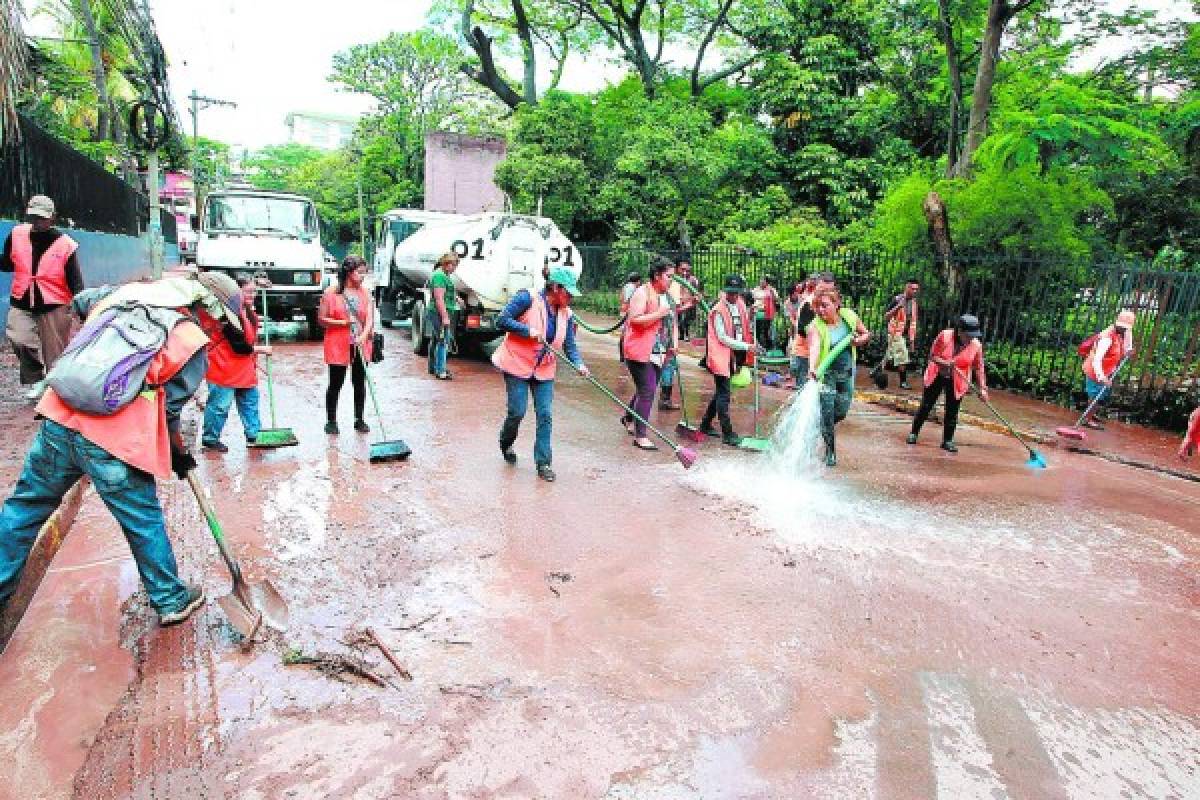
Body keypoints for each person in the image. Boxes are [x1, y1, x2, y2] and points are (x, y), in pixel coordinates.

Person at [0, 271, 245, 626]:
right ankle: (170, 597)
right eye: (219, 320)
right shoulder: (189, 340)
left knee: (24, 509)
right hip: (113, 441)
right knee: (142, 519)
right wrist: (180, 454)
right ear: (206, 309)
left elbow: (81, 302)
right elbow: (169, 413)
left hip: (59, 418)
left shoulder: (123, 295)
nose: (216, 327)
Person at [493, 267, 589, 483]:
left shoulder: (567, 314)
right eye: (568, 293)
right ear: (555, 288)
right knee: (517, 412)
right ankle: (505, 441)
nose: (571, 298)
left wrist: (579, 364)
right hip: (517, 364)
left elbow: (569, 345)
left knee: (545, 414)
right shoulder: (527, 298)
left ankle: (543, 462)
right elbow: (501, 320)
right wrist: (527, 331)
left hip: (544, 369)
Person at [0, 195, 83, 400]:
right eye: (33, 217)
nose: (37, 222)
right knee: (20, 339)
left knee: (55, 354)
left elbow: (75, 280)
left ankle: (53, 390)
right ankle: (36, 379)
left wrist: (81, 306)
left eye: (42, 218)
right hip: (22, 300)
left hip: (54, 304)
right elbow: (8, 263)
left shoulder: (66, 245)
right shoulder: (17, 234)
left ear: (53, 218)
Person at [200, 274, 271, 452]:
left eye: (254, 291)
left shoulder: (246, 311)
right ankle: (210, 439)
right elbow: (238, 345)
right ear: (235, 291)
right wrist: (260, 350)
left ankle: (254, 434)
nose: (252, 295)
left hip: (243, 367)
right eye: (248, 291)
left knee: (250, 401)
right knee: (220, 406)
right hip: (223, 366)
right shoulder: (225, 313)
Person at [807, 287, 870, 466]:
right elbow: (814, 348)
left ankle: (816, 427)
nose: (820, 310)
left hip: (847, 375)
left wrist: (859, 340)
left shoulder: (849, 316)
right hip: (827, 375)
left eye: (825, 305)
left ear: (836, 304)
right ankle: (830, 452)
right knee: (827, 413)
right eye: (818, 306)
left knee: (840, 413)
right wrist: (812, 368)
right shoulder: (816, 325)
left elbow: (865, 333)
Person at [907, 314, 988, 453]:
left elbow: (978, 367)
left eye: (973, 336)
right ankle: (914, 433)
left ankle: (947, 440)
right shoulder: (945, 336)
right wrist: (945, 363)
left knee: (952, 410)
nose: (970, 339)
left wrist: (982, 388)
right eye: (968, 335)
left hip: (957, 379)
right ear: (959, 331)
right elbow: (932, 356)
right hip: (938, 373)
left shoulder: (976, 346)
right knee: (927, 404)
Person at [622, 258, 678, 449]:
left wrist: (674, 343)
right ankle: (640, 436)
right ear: (657, 275)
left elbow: (673, 320)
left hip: (661, 351)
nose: (671, 280)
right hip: (640, 350)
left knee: (646, 389)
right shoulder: (642, 292)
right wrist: (659, 314)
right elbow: (635, 320)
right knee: (647, 391)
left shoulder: (667, 296)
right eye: (668, 276)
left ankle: (628, 417)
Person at [318, 256, 375, 435]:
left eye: (364, 272)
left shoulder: (366, 293)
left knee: (359, 382)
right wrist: (342, 323)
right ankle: (331, 420)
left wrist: (364, 335)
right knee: (336, 382)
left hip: (360, 343)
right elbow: (321, 319)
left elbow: (370, 319)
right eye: (359, 272)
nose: (363, 276)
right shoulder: (331, 292)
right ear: (349, 273)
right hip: (338, 343)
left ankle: (359, 419)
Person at [699, 275, 754, 446]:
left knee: (721, 391)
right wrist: (746, 346)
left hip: (735, 354)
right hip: (721, 355)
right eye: (730, 293)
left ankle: (705, 424)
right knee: (724, 393)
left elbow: (743, 326)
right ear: (725, 291)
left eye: (736, 293)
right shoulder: (718, 310)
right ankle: (728, 433)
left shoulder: (740, 305)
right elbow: (722, 338)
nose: (733, 296)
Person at [1080, 310, 1135, 431]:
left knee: (1100, 394)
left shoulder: (1121, 332)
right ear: (1118, 325)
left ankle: (1091, 414)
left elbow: (1126, 346)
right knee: (1094, 395)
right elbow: (1097, 359)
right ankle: (1087, 419)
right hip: (1095, 369)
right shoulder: (1107, 338)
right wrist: (1102, 377)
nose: (1126, 330)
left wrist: (1128, 351)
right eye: (1124, 328)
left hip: (1107, 369)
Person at [427, 251, 460, 380]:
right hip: (438, 312)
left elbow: (445, 293)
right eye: (454, 265)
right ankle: (440, 370)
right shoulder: (439, 276)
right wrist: (445, 317)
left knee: (436, 339)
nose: (455, 268)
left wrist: (456, 298)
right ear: (447, 264)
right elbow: (439, 298)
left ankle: (433, 367)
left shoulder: (442, 274)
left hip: (437, 311)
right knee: (443, 341)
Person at [884, 279, 920, 389]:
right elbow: (886, 316)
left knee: (889, 356)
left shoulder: (914, 304)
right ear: (907, 288)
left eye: (916, 289)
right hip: (895, 333)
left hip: (904, 334)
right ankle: (903, 382)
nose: (914, 291)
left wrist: (912, 340)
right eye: (912, 288)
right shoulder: (897, 300)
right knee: (902, 357)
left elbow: (913, 322)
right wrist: (898, 307)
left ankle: (876, 372)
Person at [784, 278, 816, 389]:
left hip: (807, 336)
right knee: (794, 360)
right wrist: (797, 325)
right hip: (797, 332)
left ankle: (799, 382)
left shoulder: (804, 300)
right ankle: (792, 375)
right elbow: (792, 319)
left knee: (804, 366)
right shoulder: (788, 303)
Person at [674, 260, 703, 341]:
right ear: (677, 269)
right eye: (682, 269)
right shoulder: (672, 279)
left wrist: (694, 299)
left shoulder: (693, 280)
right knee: (679, 319)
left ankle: (686, 333)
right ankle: (681, 334)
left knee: (687, 320)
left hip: (689, 303)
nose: (685, 272)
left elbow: (699, 292)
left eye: (687, 270)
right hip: (677, 303)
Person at [751, 275, 781, 351]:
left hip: (768, 312)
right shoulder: (755, 290)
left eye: (763, 280)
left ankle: (768, 347)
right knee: (757, 330)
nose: (761, 282)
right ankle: (758, 346)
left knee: (766, 331)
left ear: (766, 282)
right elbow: (751, 299)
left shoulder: (771, 289)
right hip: (757, 312)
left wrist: (771, 293)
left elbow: (776, 300)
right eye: (760, 280)